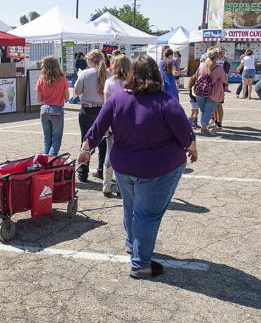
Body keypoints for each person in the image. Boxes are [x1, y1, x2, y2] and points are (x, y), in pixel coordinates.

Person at [78, 54, 197, 278]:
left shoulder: (117, 99)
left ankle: (133, 246)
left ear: (132, 75)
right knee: (146, 215)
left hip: (124, 166)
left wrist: (85, 150)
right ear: (156, 76)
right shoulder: (166, 101)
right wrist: (193, 150)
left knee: (131, 208)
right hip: (158, 169)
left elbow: (97, 128)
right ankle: (141, 264)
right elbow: (186, 137)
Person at [75, 49, 107, 182]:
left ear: (90, 60)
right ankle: (101, 170)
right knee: (103, 141)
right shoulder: (107, 74)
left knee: (85, 140)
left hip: (87, 110)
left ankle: (83, 172)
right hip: (102, 110)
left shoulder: (85, 73)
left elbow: (77, 91)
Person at [102, 55, 131, 197]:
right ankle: (120, 186)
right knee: (124, 154)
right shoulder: (130, 82)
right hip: (128, 122)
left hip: (113, 121)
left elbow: (106, 105)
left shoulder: (109, 82)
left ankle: (106, 185)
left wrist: (106, 124)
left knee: (109, 151)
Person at [36, 56, 69, 156]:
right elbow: (67, 97)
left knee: (47, 139)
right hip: (57, 110)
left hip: (44, 110)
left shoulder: (41, 79)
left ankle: (45, 161)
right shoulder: (62, 78)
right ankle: (50, 160)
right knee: (56, 140)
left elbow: (38, 99)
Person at [194, 46, 227, 136]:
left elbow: (196, 76)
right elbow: (225, 80)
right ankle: (204, 128)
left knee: (203, 110)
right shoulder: (219, 68)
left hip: (200, 90)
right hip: (214, 92)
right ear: (216, 57)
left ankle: (203, 126)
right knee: (208, 110)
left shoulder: (201, 65)